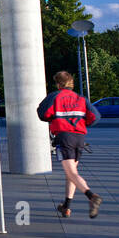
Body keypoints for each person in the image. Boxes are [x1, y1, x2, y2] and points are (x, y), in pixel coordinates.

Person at [37, 70, 101, 218]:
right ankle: (66, 206)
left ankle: (92, 196)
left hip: (64, 137)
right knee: (71, 173)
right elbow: (96, 116)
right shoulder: (81, 98)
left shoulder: (55, 96)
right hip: (79, 137)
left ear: (59, 84)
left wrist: (54, 119)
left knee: (71, 172)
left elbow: (42, 113)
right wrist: (82, 123)